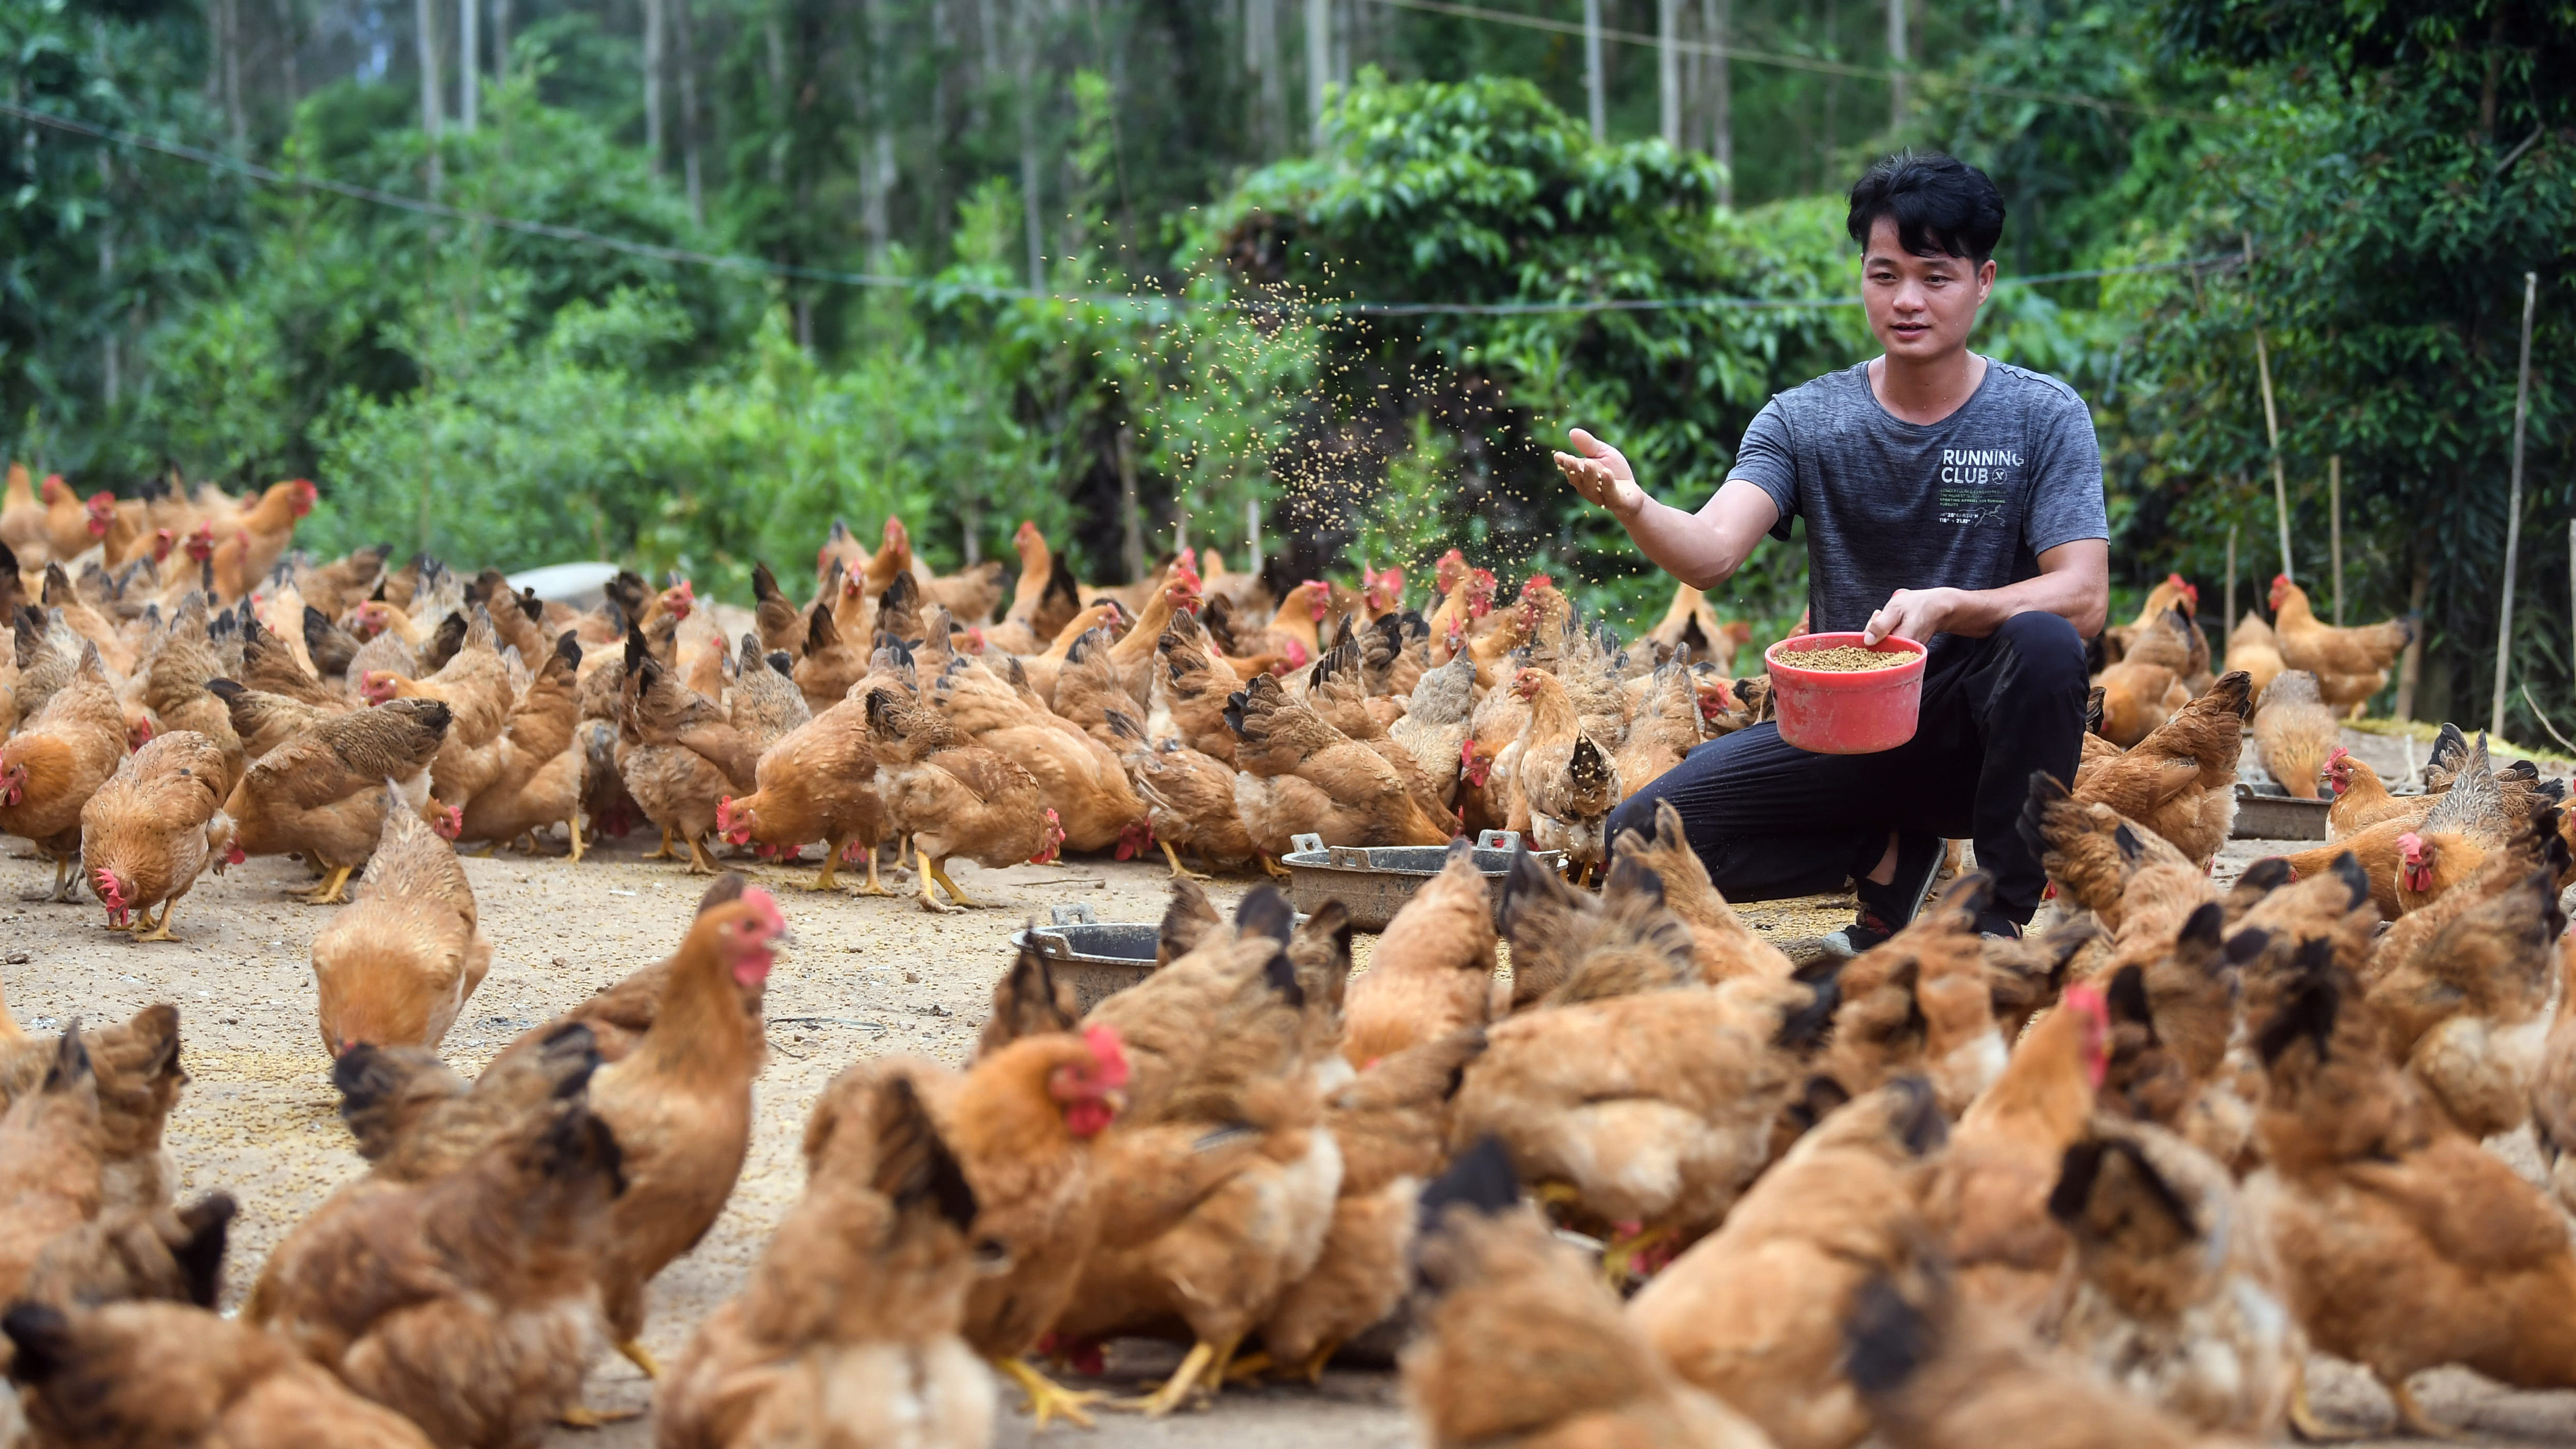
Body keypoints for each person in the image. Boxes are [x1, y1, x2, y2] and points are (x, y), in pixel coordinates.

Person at [1556, 152, 2108, 954]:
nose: (1907, 300)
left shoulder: (2042, 416)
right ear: (1861, 277)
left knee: (2046, 642)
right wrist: (1636, 506)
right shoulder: (1804, 420)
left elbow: (2084, 595)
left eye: (1935, 277)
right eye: (1885, 275)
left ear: (1983, 281)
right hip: (1849, 729)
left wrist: (1949, 606)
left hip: (1983, 741)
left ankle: (1995, 916)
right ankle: (1882, 854)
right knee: (1638, 842)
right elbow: (1710, 554)